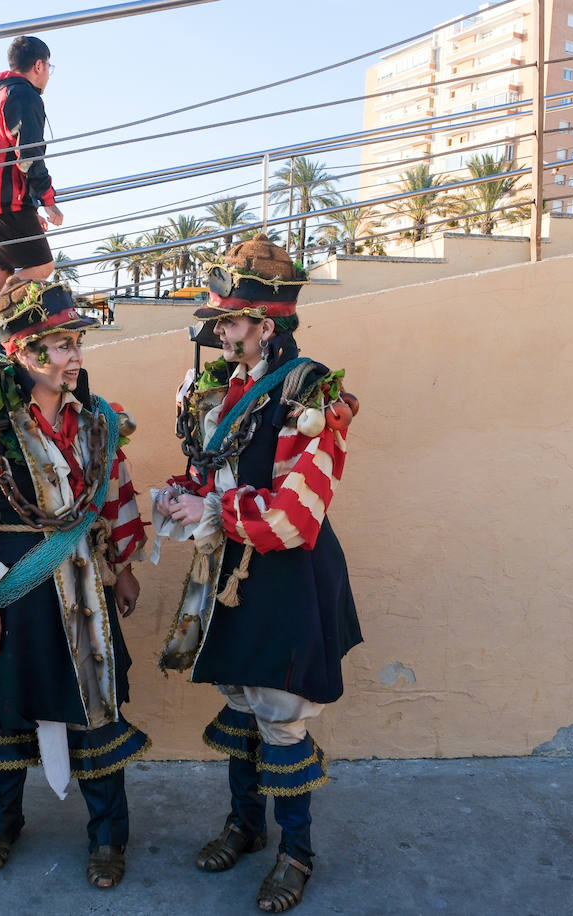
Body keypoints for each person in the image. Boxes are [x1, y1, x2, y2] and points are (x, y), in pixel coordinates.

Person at [0, 278, 148, 889]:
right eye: (60, 345)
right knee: (0, 714)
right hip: (11, 589)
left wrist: (121, 567)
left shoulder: (98, 420)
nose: (74, 356)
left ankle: (107, 837)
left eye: (75, 343)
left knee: (95, 711)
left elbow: (116, 497)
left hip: (84, 593)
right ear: (23, 353)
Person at [153, 235, 363, 913]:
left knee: (281, 718)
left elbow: (295, 518)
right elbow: (210, 473)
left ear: (265, 325)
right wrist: (180, 495)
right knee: (240, 703)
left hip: (284, 579)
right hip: (231, 574)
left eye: (229, 321)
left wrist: (209, 505)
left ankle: (295, 851)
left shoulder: (312, 391)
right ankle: (244, 826)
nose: (217, 332)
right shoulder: (225, 388)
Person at [0, 35, 64, 329]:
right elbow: (28, 154)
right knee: (42, 266)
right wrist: (48, 201)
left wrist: (31, 207)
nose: (48, 75)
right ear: (38, 65)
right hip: (0, 198)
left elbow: (9, 152)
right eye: (49, 67)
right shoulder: (23, 95)